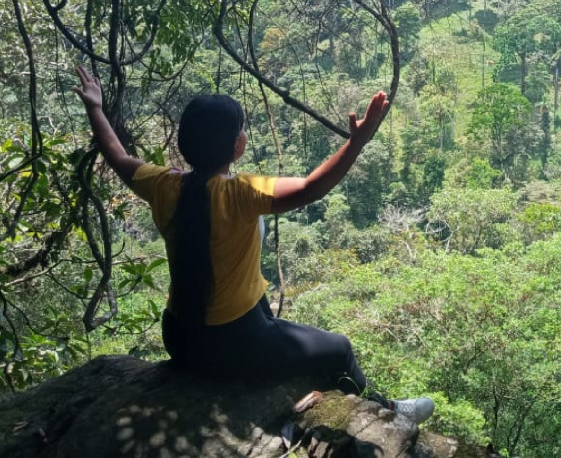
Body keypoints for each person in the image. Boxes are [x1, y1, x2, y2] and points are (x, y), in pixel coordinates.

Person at [73, 66, 434, 424]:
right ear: (238, 146)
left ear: (183, 144)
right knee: (338, 349)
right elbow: (310, 187)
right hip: (232, 343)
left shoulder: (160, 184)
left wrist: (96, 109)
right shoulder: (241, 193)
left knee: (261, 302)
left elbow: (117, 156)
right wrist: (357, 141)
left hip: (179, 337)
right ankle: (387, 413)